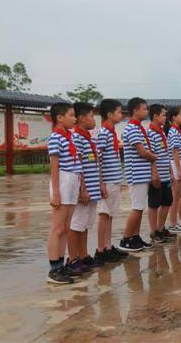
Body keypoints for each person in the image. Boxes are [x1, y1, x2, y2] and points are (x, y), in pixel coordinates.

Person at [66, 102, 104, 275]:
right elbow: (78, 165)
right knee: (76, 224)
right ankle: (72, 258)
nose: (93, 119)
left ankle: (83, 254)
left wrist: (99, 185)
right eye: (90, 116)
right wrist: (82, 190)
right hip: (84, 190)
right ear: (81, 118)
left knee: (85, 224)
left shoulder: (88, 137)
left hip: (92, 189)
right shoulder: (77, 138)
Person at [47, 102, 80, 284]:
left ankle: (61, 264)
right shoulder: (55, 137)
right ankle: (54, 269)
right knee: (57, 228)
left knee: (66, 228)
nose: (74, 119)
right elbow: (54, 165)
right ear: (60, 118)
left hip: (73, 179)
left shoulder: (70, 137)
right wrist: (56, 192)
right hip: (63, 180)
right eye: (71, 115)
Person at [119, 97, 157, 252]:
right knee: (137, 207)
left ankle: (135, 237)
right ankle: (126, 239)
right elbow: (141, 152)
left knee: (140, 207)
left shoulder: (138, 128)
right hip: (136, 173)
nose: (147, 112)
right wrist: (155, 157)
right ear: (135, 110)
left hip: (143, 173)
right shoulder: (132, 129)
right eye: (144, 109)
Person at [95, 99, 128, 263]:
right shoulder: (103, 133)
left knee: (110, 215)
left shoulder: (111, 132)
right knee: (104, 214)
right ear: (109, 114)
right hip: (106, 181)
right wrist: (100, 183)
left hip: (114, 180)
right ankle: (100, 249)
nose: (121, 115)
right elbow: (98, 159)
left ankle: (108, 246)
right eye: (119, 112)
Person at [146, 104, 173, 244]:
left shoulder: (161, 132)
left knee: (167, 201)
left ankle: (161, 228)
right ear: (155, 116)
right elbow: (151, 156)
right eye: (163, 114)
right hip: (156, 175)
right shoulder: (149, 133)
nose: (165, 117)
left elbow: (166, 154)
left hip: (165, 174)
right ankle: (153, 231)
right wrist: (153, 174)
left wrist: (170, 171)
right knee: (154, 204)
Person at [166, 107, 181, 233]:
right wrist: (179, 170)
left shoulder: (177, 131)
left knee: (178, 196)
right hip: (177, 164)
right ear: (174, 117)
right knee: (175, 196)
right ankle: (172, 223)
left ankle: (174, 223)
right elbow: (175, 151)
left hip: (180, 164)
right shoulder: (174, 132)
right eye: (180, 115)